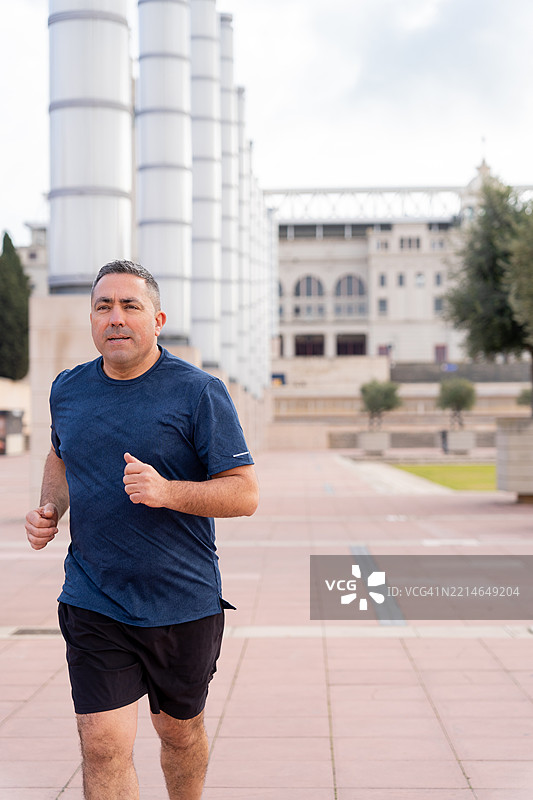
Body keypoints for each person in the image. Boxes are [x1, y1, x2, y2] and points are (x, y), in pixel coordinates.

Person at [25, 260, 259, 800]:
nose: (116, 317)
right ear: (91, 319)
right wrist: (50, 508)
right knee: (103, 745)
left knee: (179, 734)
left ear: (157, 320)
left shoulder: (199, 392)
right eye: (103, 306)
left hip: (182, 602)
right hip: (94, 596)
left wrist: (168, 491)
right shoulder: (68, 389)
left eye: (130, 306)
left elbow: (245, 493)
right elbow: (60, 454)